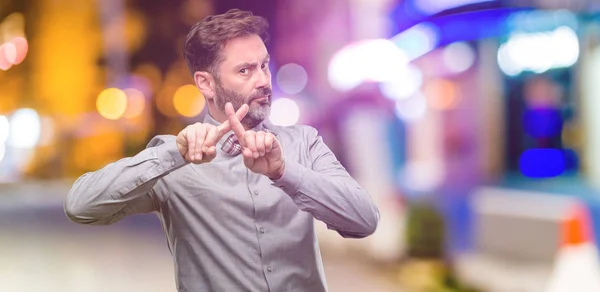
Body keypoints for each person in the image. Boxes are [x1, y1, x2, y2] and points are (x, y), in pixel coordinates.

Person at [64, 8, 380, 292]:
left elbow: (364, 221)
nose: (263, 81)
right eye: (245, 71)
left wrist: (284, 172)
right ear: (206, 83)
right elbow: (81, 206)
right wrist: (173, 153)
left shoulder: (304, 143)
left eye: (264, 66)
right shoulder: (173, 160)